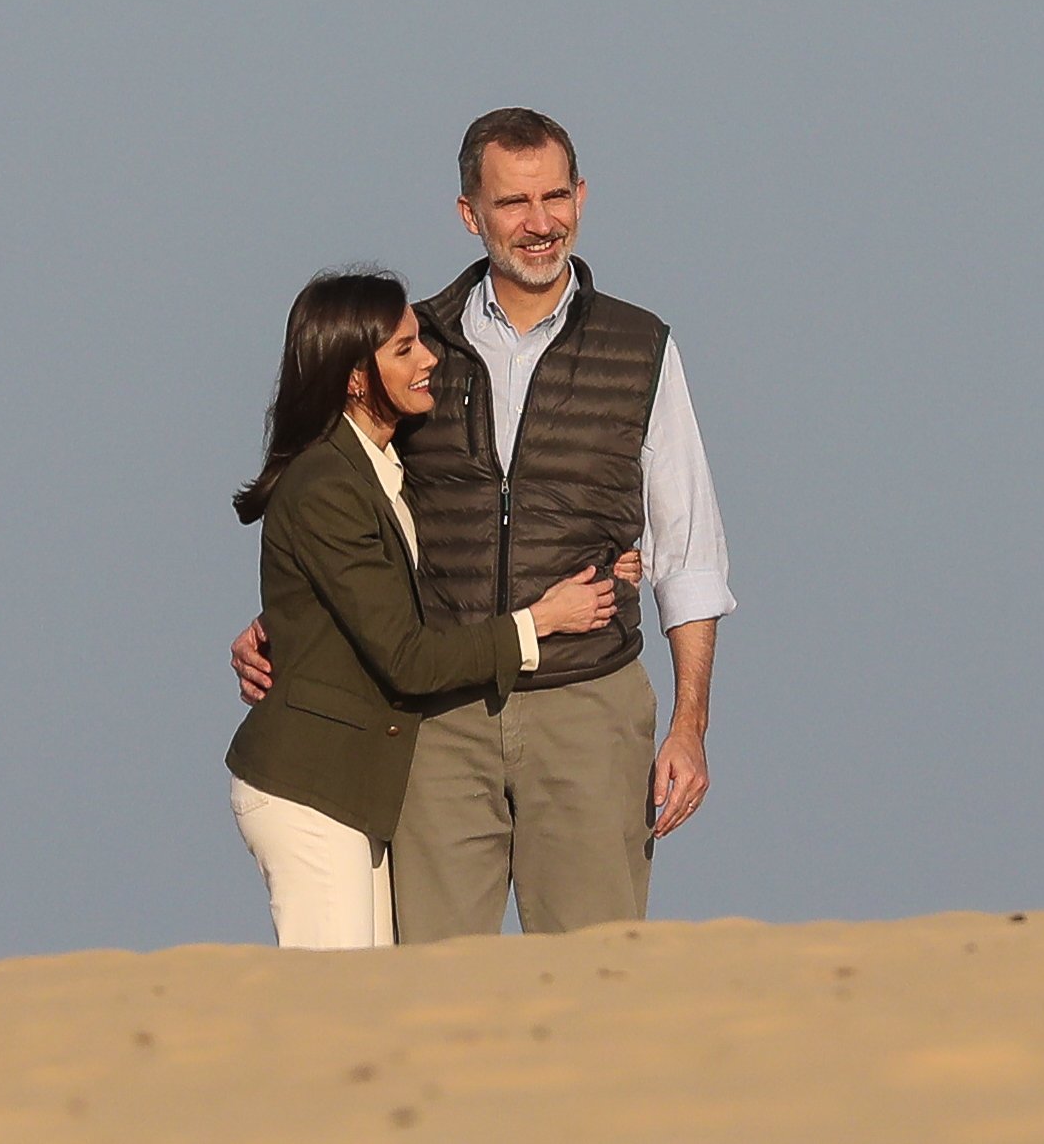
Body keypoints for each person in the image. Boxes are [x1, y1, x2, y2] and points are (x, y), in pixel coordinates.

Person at [233, 108, 735, 943]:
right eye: (513, 203)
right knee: (431, 983)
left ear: (582, 196)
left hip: (588, 708)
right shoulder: (414, 346)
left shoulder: (639, 346)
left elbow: (689, 552)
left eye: (554, 196)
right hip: (436, 721)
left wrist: (689, 727)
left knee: (594, 975)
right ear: (471, 213)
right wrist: (279, 623)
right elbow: (343, 504)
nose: (539, 223)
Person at [225, 269, 622, 950]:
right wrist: (541, 622)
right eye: (404, 348)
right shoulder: (327, 482)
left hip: (352, 792)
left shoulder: (381, 466)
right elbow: (406, 657)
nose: (429, 358)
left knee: (372, 1002)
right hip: (311, 788)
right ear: (354, 376)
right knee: (338, 1010)